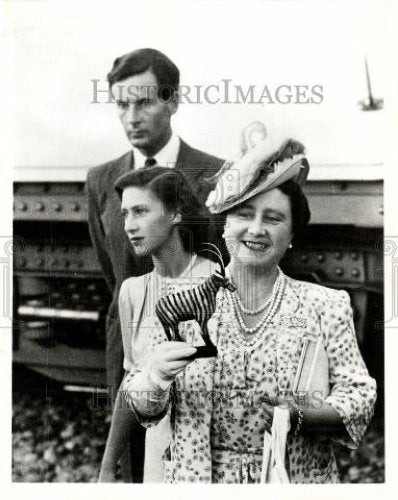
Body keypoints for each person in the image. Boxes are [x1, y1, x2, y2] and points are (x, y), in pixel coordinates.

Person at [122, 131, 377, 483]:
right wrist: (155, 378)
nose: (256, 230)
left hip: (293, 479)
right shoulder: (177, 299)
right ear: (225, 225)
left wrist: (302, 416)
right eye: (244, 214)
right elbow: (141, 405)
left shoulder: (326, 305)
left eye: (273, 219)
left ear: (291, 236)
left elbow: (359, 394)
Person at [86, 48, 224, 481]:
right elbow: (113, 269)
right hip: (127, 341)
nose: (132, 116)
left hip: (198, 346)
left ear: (173, 101)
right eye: (122, 104)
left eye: (144, 102)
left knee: (196, 458)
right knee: (133, 462)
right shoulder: (101, 180)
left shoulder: (213, 174)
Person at [98, 167, 218, 482]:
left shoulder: (218, 282)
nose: (129, 226)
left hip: (216, 456)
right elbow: (132, 380)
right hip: (161, 455)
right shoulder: (133, 291)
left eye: (141, 212)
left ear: (176, 213)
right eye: (125, 214)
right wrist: (108, 465)